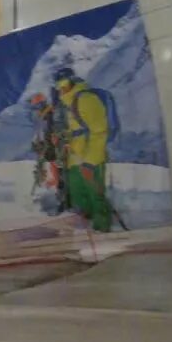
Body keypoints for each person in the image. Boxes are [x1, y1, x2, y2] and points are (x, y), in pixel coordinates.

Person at [53, 67, 117, 232]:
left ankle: (102, 231)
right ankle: (86, 230)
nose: (61, 88)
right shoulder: (68, 102)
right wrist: (65, 138)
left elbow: (100, 131)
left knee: (95, 196)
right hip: (74, 158)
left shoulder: (86, 99)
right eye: (58, 86)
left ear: (72, 81)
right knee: (79, 196)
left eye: (64, 84)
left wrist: (90, 162)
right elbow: (77, 129)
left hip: (90, 159)